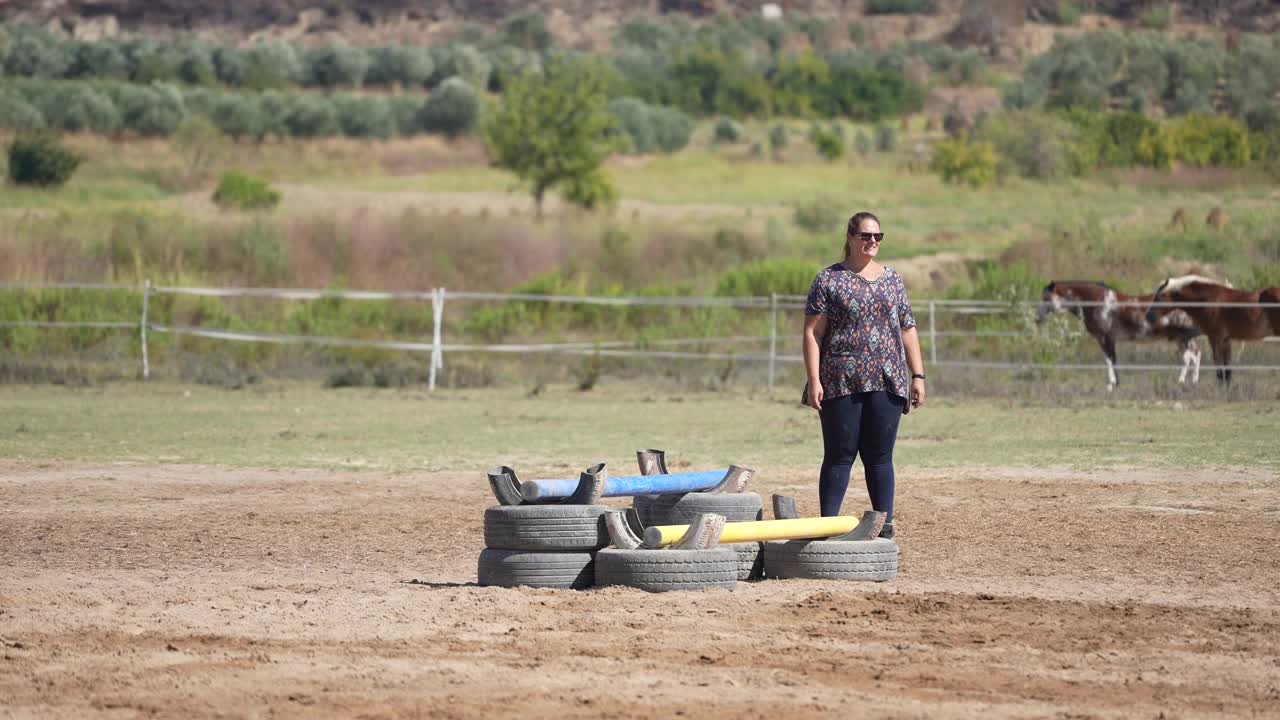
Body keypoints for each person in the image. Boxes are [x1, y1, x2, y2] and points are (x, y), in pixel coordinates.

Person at [802, 211, 926, 539]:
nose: (872, 242)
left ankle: (883, 527)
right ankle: (827, 526)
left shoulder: (893, 279)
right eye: (866, 236)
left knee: (880, 457)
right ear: (850, 237)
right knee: (840, 455)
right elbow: (813, 333)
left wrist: (918, 375)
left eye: (878, 237)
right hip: (840, 379)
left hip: (887, 379)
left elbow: (908, 328)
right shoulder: (828, 280)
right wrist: (814, 379)